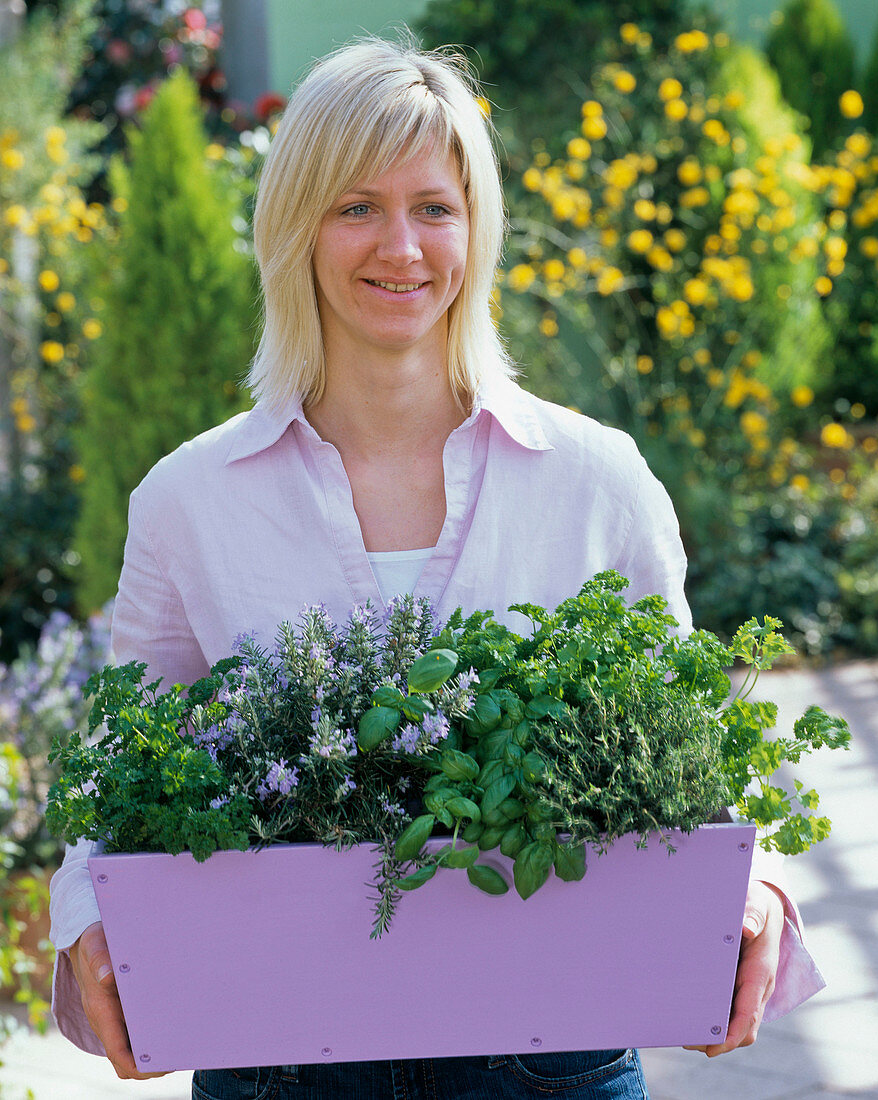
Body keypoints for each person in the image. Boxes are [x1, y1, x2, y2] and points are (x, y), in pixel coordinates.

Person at [49, 35, 824, 1099]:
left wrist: (760, 886)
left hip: (552, 1052)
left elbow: (696, 746)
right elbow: (116, 767)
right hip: (279, 1054)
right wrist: (90, 919)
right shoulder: (190, 499)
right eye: (354, 205)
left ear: (476, 231)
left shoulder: (594, 478)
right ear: (295, 229)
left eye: (434, 206)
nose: (399, 245)